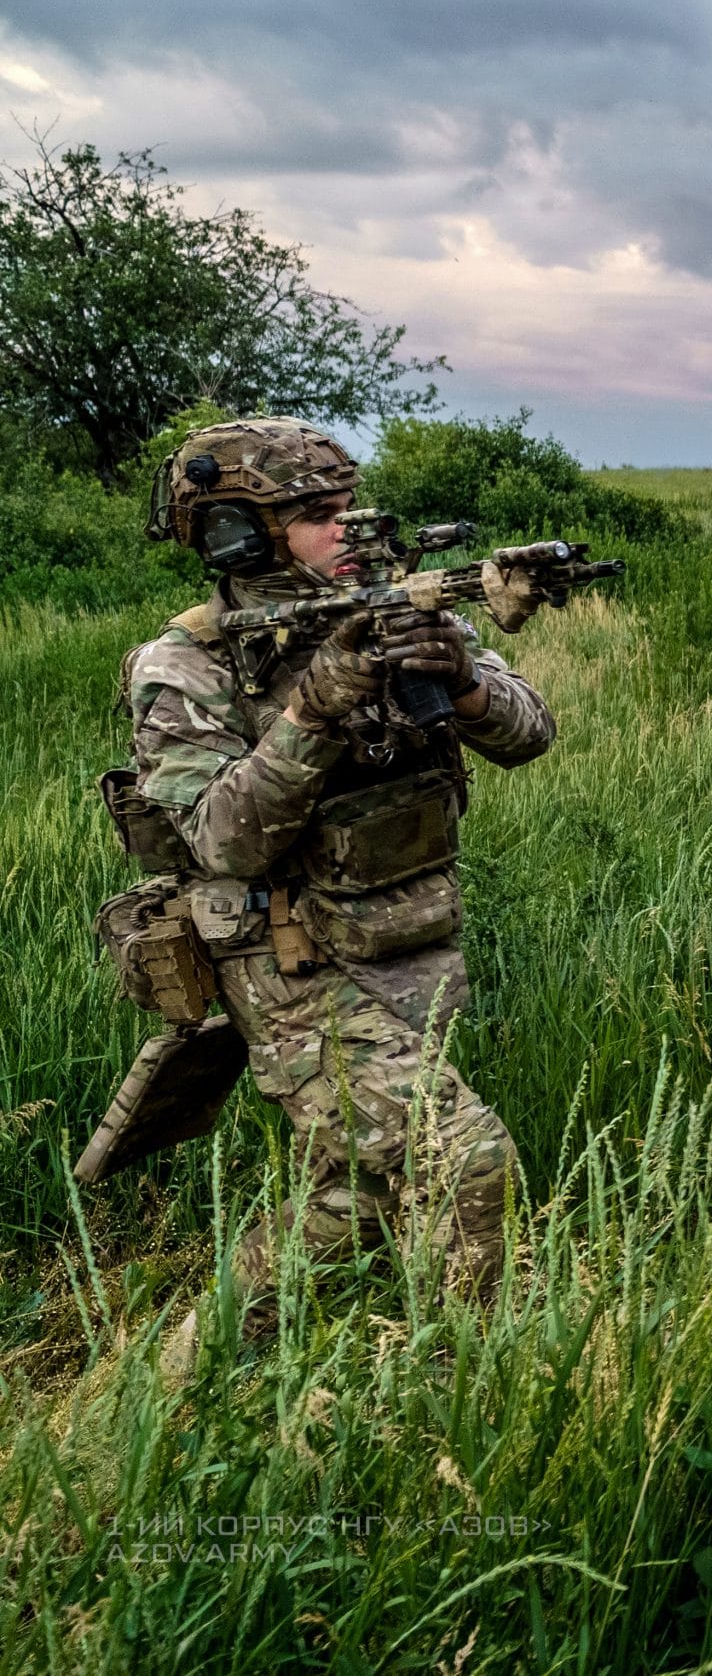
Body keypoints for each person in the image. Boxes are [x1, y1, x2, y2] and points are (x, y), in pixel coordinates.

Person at [109, 418, 554, 1381]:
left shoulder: (390, 606)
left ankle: (170, 1387)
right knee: (466, 1159)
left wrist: (464, 680)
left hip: (400, 938)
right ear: (236, 534)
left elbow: (529, 734)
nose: (345, 528)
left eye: (347, 505)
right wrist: (314, 708)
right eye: (315, 514)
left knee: (348, 1199)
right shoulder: (181, 668)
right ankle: (468, 1399)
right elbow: (223, 840)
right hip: (283, 955)